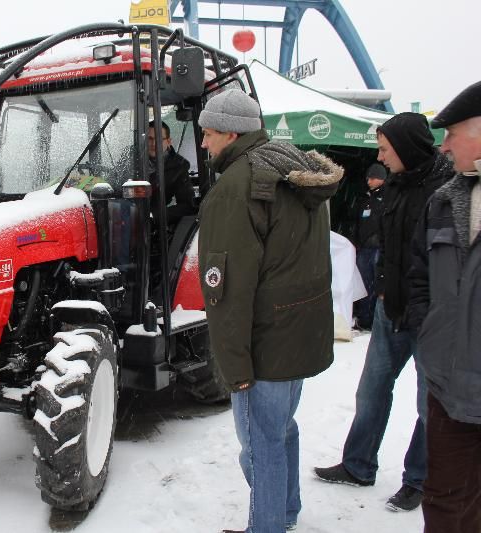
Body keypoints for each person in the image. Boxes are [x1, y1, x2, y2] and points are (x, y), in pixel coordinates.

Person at [196, 89, 342, 533]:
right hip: (298, 329)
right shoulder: (291, 166)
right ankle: (286, 511)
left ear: (229, 131)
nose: (203, 144)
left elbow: (227, 292)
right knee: (281, 429)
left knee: (260, 444)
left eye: (206, 134)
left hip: (265, 342)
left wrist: (235, 367)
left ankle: (269, 525)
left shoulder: (236, 187)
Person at [314, 112, 454, 512]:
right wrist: (379, 291)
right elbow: (388, 247)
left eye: (384, 149)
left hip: (431, 319)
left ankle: (420, 480)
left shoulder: (447, 188)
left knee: (429, 405)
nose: (380, 157)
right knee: (371, 390)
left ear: (407, 149)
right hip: (390, 310)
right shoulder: (394, 184)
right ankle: (358, 465)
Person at [408, 80, 481, 533]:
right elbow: (418, 278)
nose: (445, 144)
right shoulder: (444, 200)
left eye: (453, 133)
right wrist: (428, 331)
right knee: (446, 503)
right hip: (448, 388)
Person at [353, 163, 387, 329]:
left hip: (379, 249)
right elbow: (358, 223)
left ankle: (373, 319)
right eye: (368, 178)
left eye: (372, 178)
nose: (369, 181)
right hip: (364, 248)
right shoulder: (364, 198)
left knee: (376, 284)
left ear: (381, 178)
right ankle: (363, 318)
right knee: (363, 283)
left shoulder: (388, 197)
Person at [147, 120, 196, 225]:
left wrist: (154, 216)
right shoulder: (131, 159)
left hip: (156, 223)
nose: (154, 144)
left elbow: (187, 205)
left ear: (169, 141)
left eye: (159, 139)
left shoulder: (179, 166)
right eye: (149, 139)